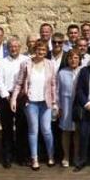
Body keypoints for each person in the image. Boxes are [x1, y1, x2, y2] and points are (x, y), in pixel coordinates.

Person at [11, 40, 58, 170]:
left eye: (43, 50)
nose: (41, 52)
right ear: (34, 50)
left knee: (47, 130)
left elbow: (53, 85)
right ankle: (34, 158)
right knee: (33, 130)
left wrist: (55, 102)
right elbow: (19, 83)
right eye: (39, 49)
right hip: (30, 102)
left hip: (45, 102)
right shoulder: (26, 64)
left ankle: (50, 156)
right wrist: (13, 99)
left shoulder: (50, 64)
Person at [0, 36, 29, 168]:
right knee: (7, 128)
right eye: (11, 47)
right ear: (7, 48)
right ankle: (7, 156)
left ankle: (22, 156)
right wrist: (6, 96)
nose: (13, 49)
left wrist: (22, 94)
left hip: (21, 97)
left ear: (20, 47)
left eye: (16, 46)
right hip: (6, 97)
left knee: (22, 128)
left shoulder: (26, 60)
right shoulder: (2, 62)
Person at [57, 50, 82, 168]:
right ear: (67, 60)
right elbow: (57, 91)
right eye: (71, 58)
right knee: (66, 131)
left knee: (77, 131)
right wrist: (58, 107)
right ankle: (66, 156)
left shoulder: (83, 71)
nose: (73, 60)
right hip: (65, 104)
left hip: (78, 105)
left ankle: (76, 155)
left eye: (76, 57)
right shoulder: (62, 72)